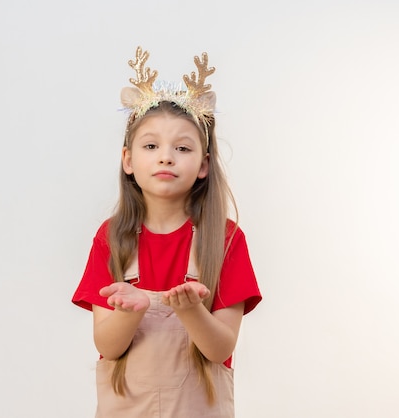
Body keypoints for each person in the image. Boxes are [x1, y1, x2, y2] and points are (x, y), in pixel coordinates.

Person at [72, 46, 262, 418]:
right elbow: (107, 346)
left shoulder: (224, 240)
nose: (166, 156)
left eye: (182, 147)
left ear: (204, 164)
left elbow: (220, 348)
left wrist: (191, 311)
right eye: (151, 145)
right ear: (128, 159)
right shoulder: (111, 238)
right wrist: (130, 311)